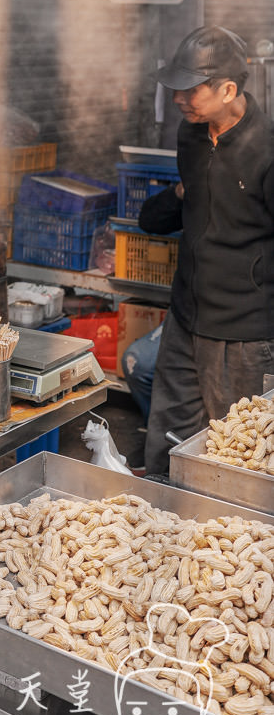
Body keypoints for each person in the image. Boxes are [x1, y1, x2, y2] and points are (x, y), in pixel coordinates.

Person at [140, 26, 274, 478]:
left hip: (242, 331)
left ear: (228, 90)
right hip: (185, 315)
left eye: (188, 90)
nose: (178, 99)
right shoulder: (191, 135)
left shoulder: (268, 150)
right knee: (169, 438)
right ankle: (157, 524)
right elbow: (194, 199)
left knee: (236, 451)